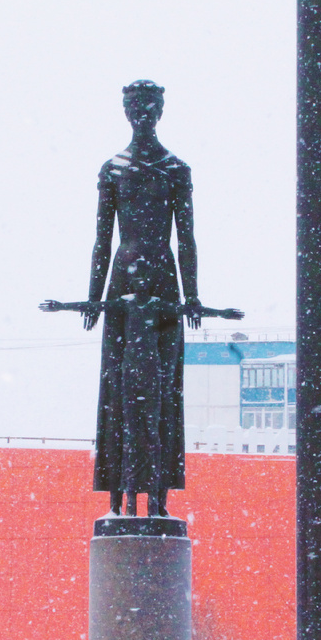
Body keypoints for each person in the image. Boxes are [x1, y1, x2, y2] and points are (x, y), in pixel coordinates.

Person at [84, 80, 201, 518]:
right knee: (118, 387)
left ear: (160, 110)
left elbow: (186, 237)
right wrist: (94, 297)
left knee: (164, 389)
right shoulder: (113, 169)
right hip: (122, 279)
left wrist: (193, 295)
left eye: (149, 106)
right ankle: (118, 499)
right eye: (135, 106)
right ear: (126, 111)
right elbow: (102, 239)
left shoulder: (176, 169)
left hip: (164, 281)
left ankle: (158, 498)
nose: (142, 113)